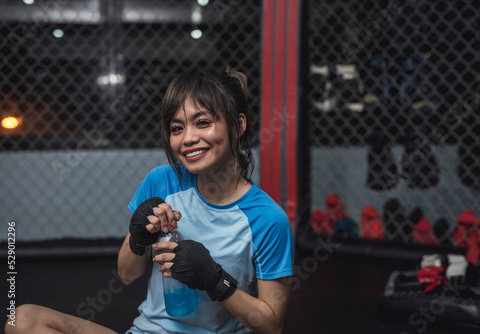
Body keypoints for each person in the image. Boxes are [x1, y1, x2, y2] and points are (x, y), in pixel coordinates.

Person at [6, 67, 295, 334]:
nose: (188, 138)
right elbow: (126, 274)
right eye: (177, 128)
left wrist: (215, 280)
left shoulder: (267, 218)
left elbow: (271, 325)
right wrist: (138, 238)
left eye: (203, 123)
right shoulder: (161, 182)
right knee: (23, 320)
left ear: (238, 125)